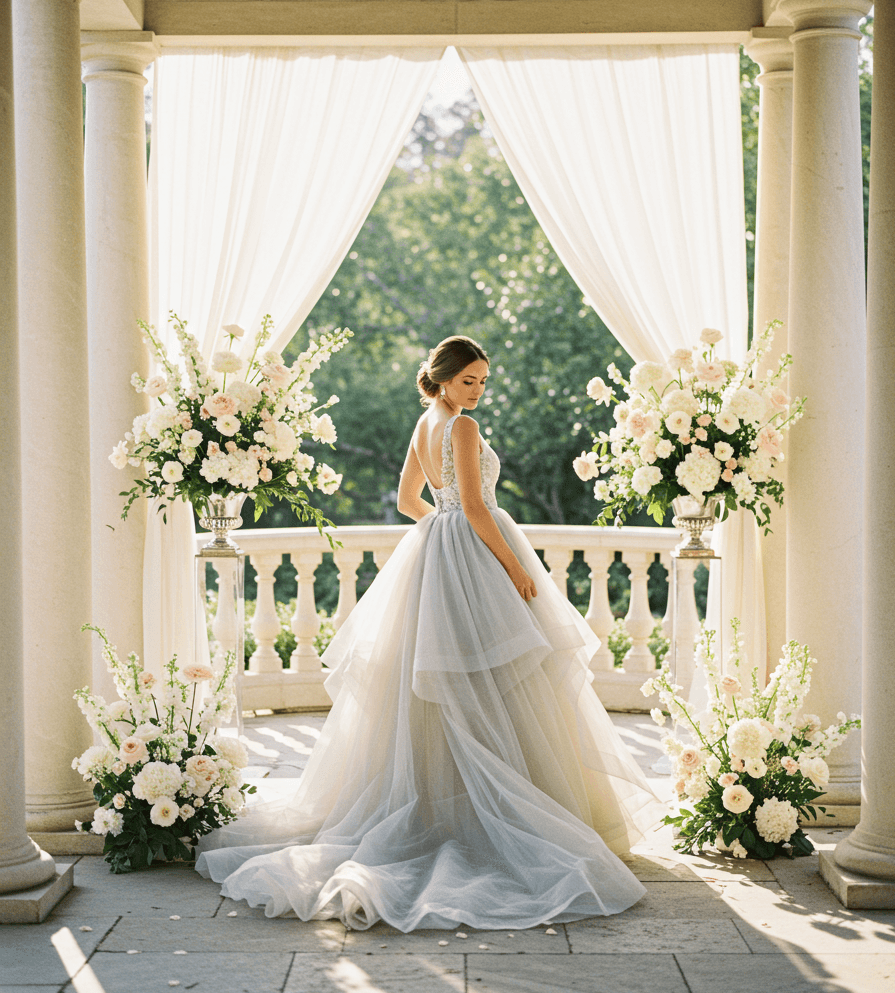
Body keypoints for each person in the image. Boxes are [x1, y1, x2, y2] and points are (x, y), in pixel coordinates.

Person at [196, 335, 665, 929]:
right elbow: (473, 505)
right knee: (493, 679)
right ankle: (486, 813)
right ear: (442, 379)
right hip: (473, 554)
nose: (477, 391)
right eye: (468, 380)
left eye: (483, 381)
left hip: (438, 553)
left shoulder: (427, 422)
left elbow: (408, 500)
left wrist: (439, 532)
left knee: (450, 684)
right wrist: (514, 568)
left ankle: (451, 805)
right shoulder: (462, 430)